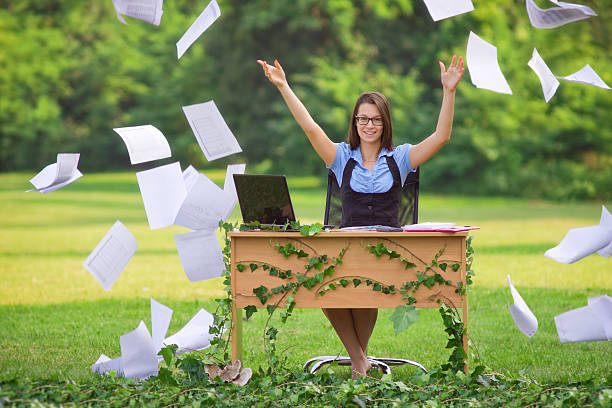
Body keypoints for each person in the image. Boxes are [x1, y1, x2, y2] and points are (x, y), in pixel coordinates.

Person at [257, 56, 465, 378]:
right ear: (354, 122)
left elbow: (441, 137)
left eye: (376, 120)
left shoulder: (400, 158)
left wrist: (448, 91)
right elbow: (310, 127)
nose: (369, 125)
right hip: (347, 249)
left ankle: (359, 363)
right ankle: (360, 362)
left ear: (386, 124)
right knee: (323, 285)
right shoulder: (341, 157)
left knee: (367, 285)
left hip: (387, 253)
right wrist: (284, 86)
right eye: (363, 119)